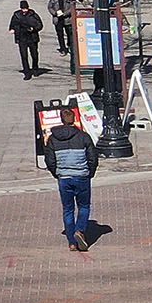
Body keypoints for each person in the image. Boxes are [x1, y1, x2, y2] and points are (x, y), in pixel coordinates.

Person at [41, 107, 97, 252]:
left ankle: (72, 242)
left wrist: (57, 173)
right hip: (82, 176)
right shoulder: (83, 136)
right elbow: (92, 158)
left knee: (68, 209)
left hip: (64, 177)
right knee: (84, 206)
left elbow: (50, 160)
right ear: (74, 119)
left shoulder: (53, 139)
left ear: (61, 120)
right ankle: (80, 230)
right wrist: (90, 172)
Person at [9, 0, 44, 79]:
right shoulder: (17, 15)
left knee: (34, 54)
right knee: (24, 56)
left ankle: (35, 68)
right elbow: (12, 24)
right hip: (21, 37)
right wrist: (12, 29)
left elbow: (40, 25)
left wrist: (34, 29)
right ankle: (27, 72)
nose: (25, 10)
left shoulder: (33, 15)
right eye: (23, 8)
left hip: (32, 37)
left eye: (26, 8)